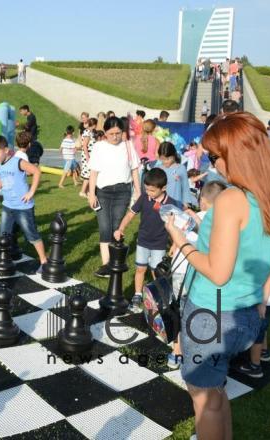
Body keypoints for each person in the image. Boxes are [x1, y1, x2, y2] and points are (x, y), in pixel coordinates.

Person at [165, 112, 270, 440]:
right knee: (217, 393)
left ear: (238, 155)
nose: (212, 163)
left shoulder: (232, 199)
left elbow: (217, 273)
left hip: (210, 314)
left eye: (215, 156)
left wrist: (180, 242)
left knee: (203, 400)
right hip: (245, 314)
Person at [167, 180, 227, 370]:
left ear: (202, 200)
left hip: (182, 271)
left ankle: (177, 351)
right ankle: (199, 353)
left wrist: (174, 244)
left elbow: (178, 238)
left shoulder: (193, 217)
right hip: (202, 274)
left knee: (178, 310)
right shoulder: (224, 222)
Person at [0, 135, 47, 270]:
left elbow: (36, 171)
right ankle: (4, 260)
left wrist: (31, 192)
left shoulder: (18, 162)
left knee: (31, 235)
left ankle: (44, 261)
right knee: (3, 235)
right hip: (8, 206)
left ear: (6, 150)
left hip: (23, 207)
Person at [113, 168, 181, 312]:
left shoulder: (172, 204)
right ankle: (137, 295)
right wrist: (121, 228)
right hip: (143, 241)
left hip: (159, 244)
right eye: (146, 189)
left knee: (157, 272)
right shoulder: (144, 198)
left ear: (163, 188)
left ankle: (157, 297)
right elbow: (130, 214)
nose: (148, 193)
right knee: (140, 269)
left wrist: (175, 244)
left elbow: (177, 227)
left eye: (152, 191)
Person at [88, 117, 141, 277]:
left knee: (117, 227)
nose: (115, 136)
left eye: (118, 133)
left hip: (123, 191)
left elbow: (134, 170)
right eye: (111, 133)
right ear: (105, 133)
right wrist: (91, 193)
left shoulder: (128, 146)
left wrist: (138, 191)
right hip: (103, 192)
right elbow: (93, 172)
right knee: (105, 227)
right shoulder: (99, 147)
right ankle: (106, 265)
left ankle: (115, 261)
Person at [235, 244, 270, 378]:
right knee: (264, 325)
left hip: (265, 296)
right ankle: (264, 351)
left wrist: (262, 302)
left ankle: (255, 366)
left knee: (257, 330)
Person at [156, 142, 191, 208]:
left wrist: (186, 202)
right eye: (162, 159)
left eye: (168, 158)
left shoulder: (181, 168)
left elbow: (185, 187)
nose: (165, 161)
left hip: (177, 204)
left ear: (174, 155)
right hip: (160, 205)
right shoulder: (157, 169)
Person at [79, 118, 98, 198]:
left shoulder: (91, 132)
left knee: (90, 174)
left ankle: (87, 191)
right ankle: (82, 191)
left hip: (90, 155)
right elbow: (84, 145)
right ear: (94, 125)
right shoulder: (87, 132)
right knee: (88, 174)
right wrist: (87, 157)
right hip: (87, 156)